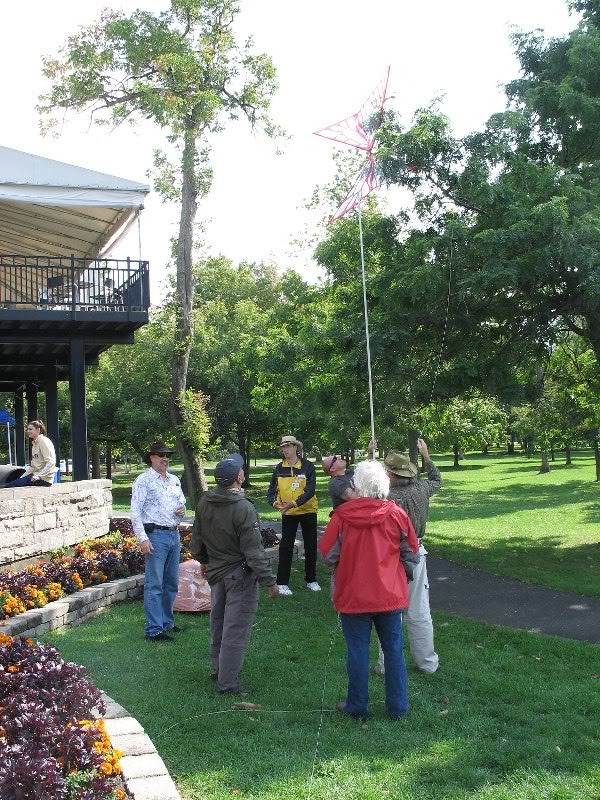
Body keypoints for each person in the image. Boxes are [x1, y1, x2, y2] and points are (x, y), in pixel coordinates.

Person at [319, 459, 419, 720]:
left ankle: (357, 706)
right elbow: (412, 551)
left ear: (357, 485)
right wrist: (402, 574)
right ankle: (397, 708)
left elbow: (328, 554)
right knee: (394, 650)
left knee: (358, 651)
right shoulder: (396, 514)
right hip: (388, 594)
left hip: (354, 594)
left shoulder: (343, 516)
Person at [191, 454, 279, 695]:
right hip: (238, 575)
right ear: (239, 477)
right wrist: (269, 580)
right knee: (235, 628)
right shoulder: (243, 508)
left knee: (218, 622)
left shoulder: (205, 501)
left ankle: (219, 669)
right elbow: (253, 550)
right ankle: (228, 683)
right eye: (241, 470)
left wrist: (204, 560)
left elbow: (196, 538)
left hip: (217, 573)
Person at [376, 438, 442, 674]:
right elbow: (437, 480)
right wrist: (427, 455)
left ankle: (386, 665)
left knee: (389, 610)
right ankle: (427, 663)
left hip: (390, 557)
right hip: (416, 553)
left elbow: (360, 491)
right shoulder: (423, 489)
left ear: (392, 475)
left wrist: (369, 455)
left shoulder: (383, 497)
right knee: (420, 609)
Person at [130, 441, 186, 642]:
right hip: (155, 537)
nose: (165, 459)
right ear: (151, 457)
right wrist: (143, 538)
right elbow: (135, 512)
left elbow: (181, 506)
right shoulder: (143, 480)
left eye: (167, 455)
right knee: (155, 585)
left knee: (171, 583)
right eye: (161, 455)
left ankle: (167, 623)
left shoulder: (174, 480)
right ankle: (154, 630)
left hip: (173, 534)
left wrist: (182, 512)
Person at [267, 435, 320, 595]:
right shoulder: (278, 468)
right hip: (288, 513)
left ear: (296, 448)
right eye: (283, 447)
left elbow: (310, 491)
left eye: (288, 446)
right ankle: (282, 582)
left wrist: (294, 503)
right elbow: (271, 492)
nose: (285, 450)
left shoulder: (308, 466)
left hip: (308, 510)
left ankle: (311, 579)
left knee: (311, 545)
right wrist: (276, 504)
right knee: (286, 546)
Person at [4, 420, 56, 487]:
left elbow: (51, 462)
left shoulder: (44, 441)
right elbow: (33, 467)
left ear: (38, 430)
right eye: (28, 429)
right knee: (12, 483)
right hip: (35, 475)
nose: (28, 431)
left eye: (30, 429)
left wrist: (39, 476)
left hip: (43, 479)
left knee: (11, 487)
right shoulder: (34, 444)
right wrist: (21, 478)